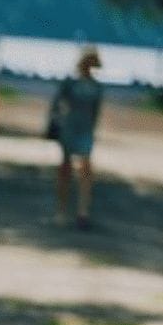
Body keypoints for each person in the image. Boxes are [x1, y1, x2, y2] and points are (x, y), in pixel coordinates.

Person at [51, 45, 105, 228]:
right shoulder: (70, 83)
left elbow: (96, 112)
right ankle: (62, 209)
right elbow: (57, 104)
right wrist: (56, 123)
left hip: (85, 131)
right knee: (65, 170)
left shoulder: (97, 87)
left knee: (86, 169)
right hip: (70, 128)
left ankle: (83, 211)